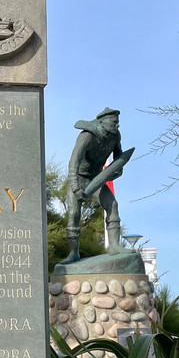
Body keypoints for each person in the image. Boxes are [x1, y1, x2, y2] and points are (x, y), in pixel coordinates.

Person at [61, 108, 129, 263]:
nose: (117, 125)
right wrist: (75, 187)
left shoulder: (115, 136)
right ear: (102, 121)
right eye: (114, 122)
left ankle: (114, 246)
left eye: (117, 122)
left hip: (96, 179)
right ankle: (73, 253)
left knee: (112, 205)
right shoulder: (87, 136)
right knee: (73, 215)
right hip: (78, 179)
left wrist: (118, 169)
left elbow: (119, 154)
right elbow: (73, 162)